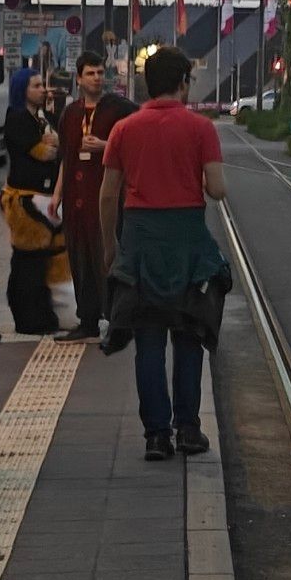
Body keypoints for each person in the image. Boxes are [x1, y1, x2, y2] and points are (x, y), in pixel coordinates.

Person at [99, 47, 228, 462]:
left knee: (148, 340)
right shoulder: (200, 128)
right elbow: (217, 189)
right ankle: (188, 428)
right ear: (184, 83)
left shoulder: (124, 129)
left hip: (140, 239)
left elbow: (107, 194)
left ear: (146, 84)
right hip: (186, 239)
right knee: (189, 333)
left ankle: (156, 435)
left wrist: (110, 246)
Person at [54, 50, 135, 343]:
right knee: (80, 259)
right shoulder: (71, 113)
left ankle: (118, 322)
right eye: (91, 73)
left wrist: (106, 145)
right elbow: (66, 157)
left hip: (105, 198)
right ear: (79, 78)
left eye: (101, 72)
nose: (97, 78)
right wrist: (57, 195)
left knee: (108, 258)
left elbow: (136, 145)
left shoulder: (120, 109)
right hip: (76, 199)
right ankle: (87, 320)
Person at [0, 67, 66, 335]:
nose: (43, 90)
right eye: (36, 86)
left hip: (44, 196)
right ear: (22, 89)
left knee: (42, 261)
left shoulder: (41, 117)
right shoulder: (16, 118)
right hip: (24, 199)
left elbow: (57, 145)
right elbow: (45, 152)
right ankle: (28, 316)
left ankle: (44, 313)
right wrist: (52, 143)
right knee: (28, 260)